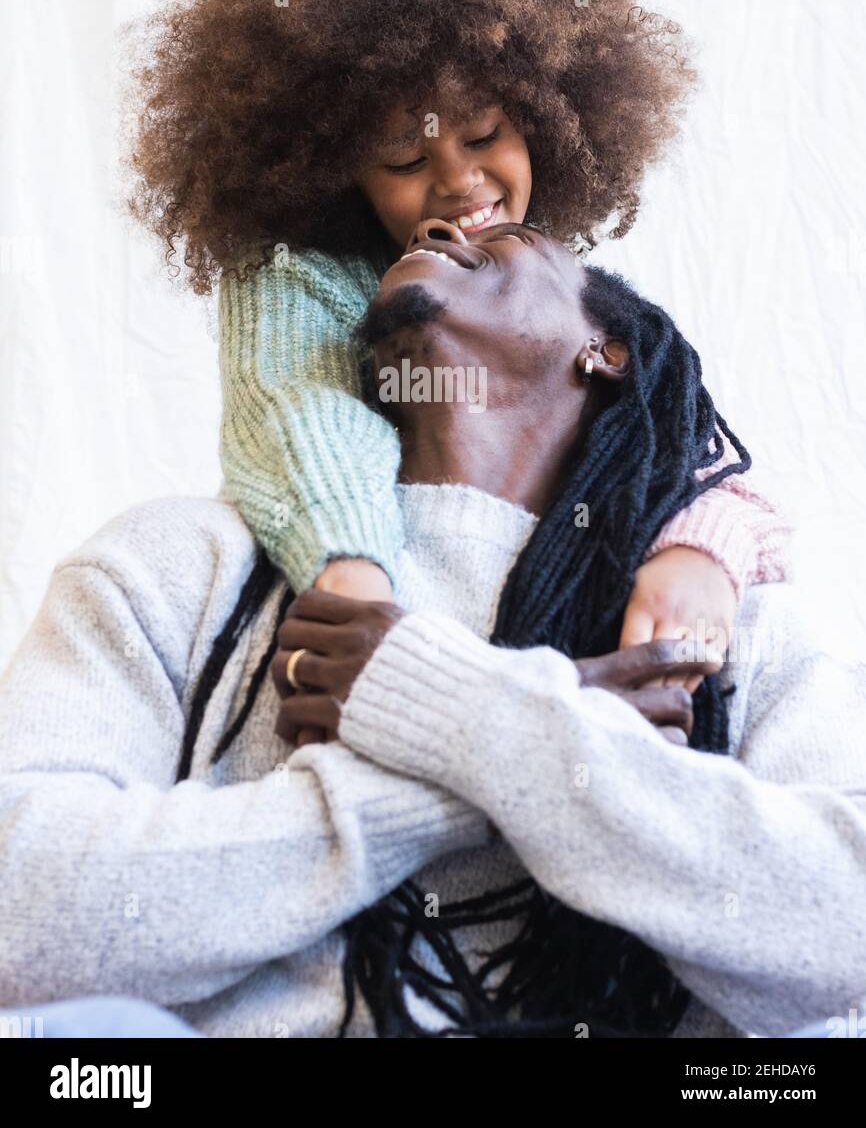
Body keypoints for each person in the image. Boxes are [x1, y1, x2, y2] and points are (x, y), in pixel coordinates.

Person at [0, 221, 862, 1038]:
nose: (439, 231)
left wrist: (455, 708)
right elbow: (18, 906)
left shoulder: (718, 624)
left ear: (606, 353)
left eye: (513, 242)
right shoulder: (183, 564)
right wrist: (488, 764)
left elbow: (843, 929)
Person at [122, 0, 790, 753]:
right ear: (333, 173)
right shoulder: (304, 280)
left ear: (549, 115)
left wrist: (698, 554)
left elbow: (680, 445)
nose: (459, 184)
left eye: (484, 133)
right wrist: (358, 592)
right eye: (403, 159)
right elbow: (304, 416)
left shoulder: (574, 297)